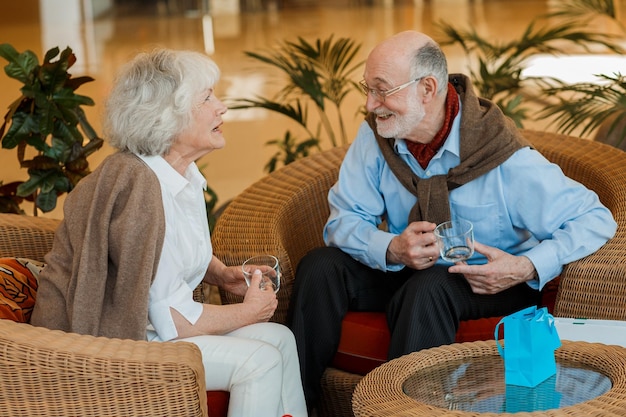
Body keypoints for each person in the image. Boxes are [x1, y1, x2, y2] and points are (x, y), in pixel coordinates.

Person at [288, 30, 617, 409]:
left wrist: (526, 266)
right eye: (367, 88)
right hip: (409, 268)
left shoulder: (503, 156)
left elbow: (594, 218)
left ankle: (400, 411)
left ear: (427, 89)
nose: (370, 103)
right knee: (320, 265)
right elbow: (343, 220)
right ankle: (300, 405)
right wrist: (392, 248)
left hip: (490, 280)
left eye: (381, 90)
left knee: (430, 287)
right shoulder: (376, 139)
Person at [31, 48, 307, 417]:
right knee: (260, 361)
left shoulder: (181, 177)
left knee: (281, 339)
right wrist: (247, 313)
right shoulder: (138, 189)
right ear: (168, 116)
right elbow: (168, 319)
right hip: (128, 341)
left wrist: (221, 276)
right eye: (207, 97)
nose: (221, 107)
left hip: (158, 330)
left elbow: (168, 249)